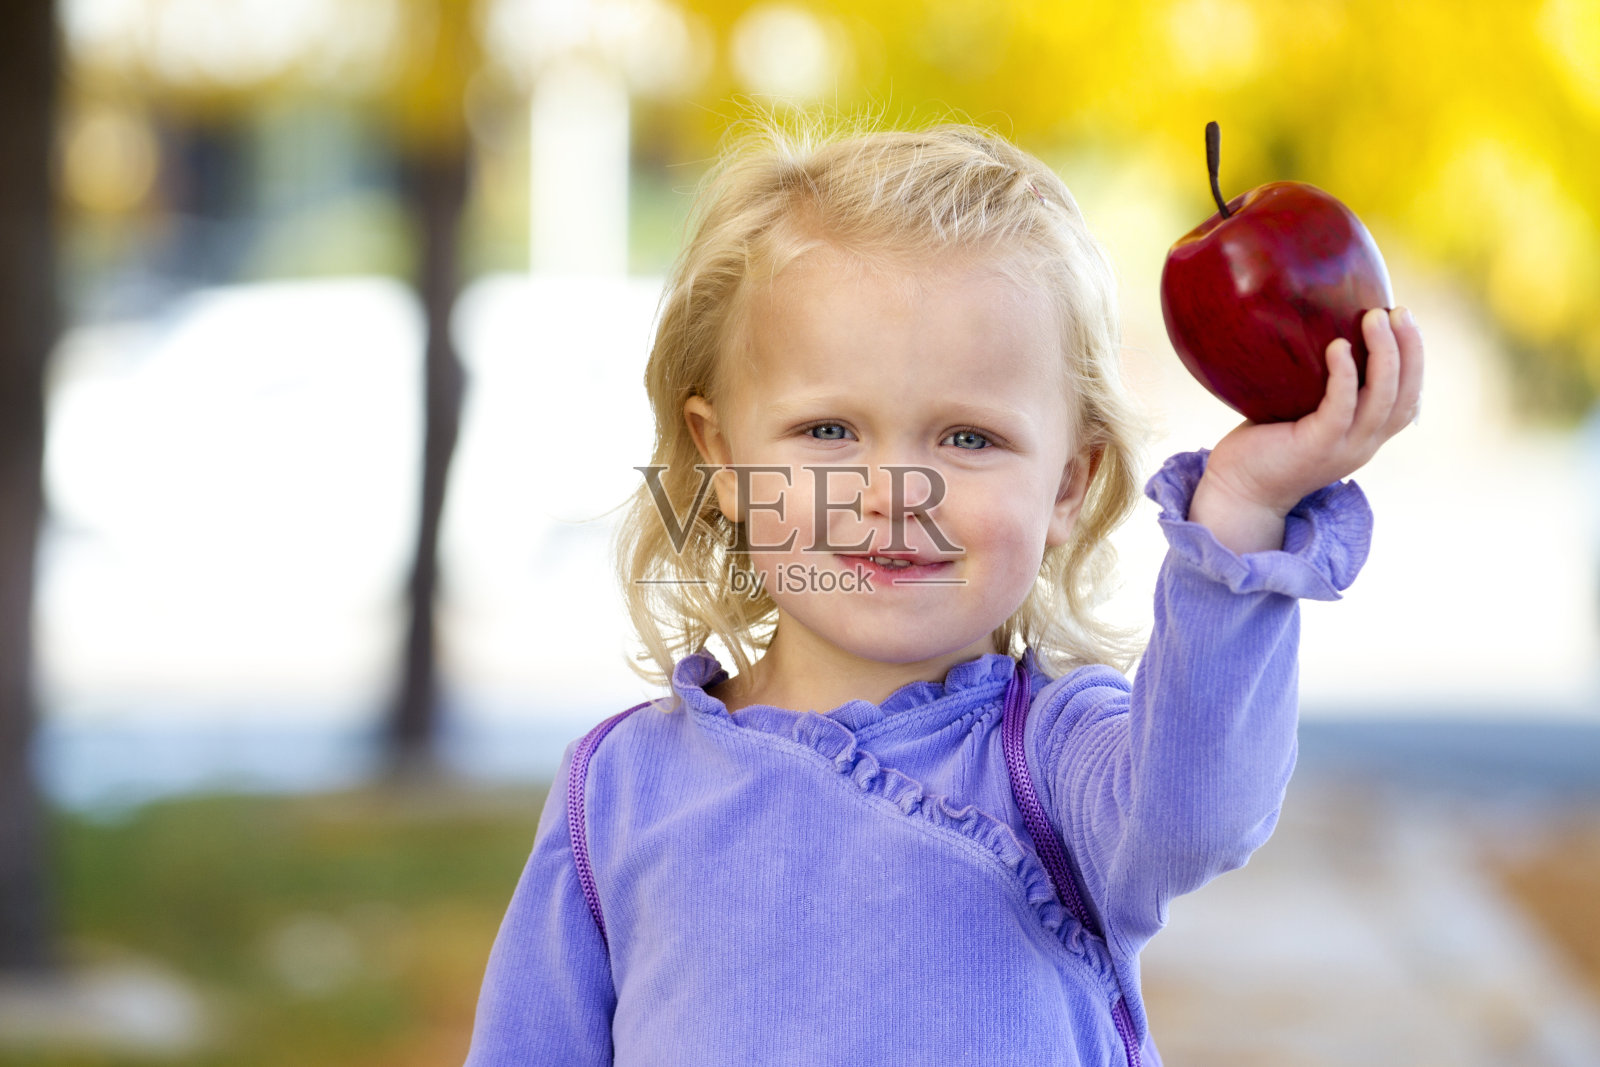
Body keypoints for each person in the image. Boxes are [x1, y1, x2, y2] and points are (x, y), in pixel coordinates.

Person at [463, 120, 1423, 1066]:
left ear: (1068, 484)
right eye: (829, 431)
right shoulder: (619, 794)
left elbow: (1195, 811)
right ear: (722, 456)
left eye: (968, 438)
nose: (889, 494)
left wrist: (1244, 509)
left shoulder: (1056, 765)